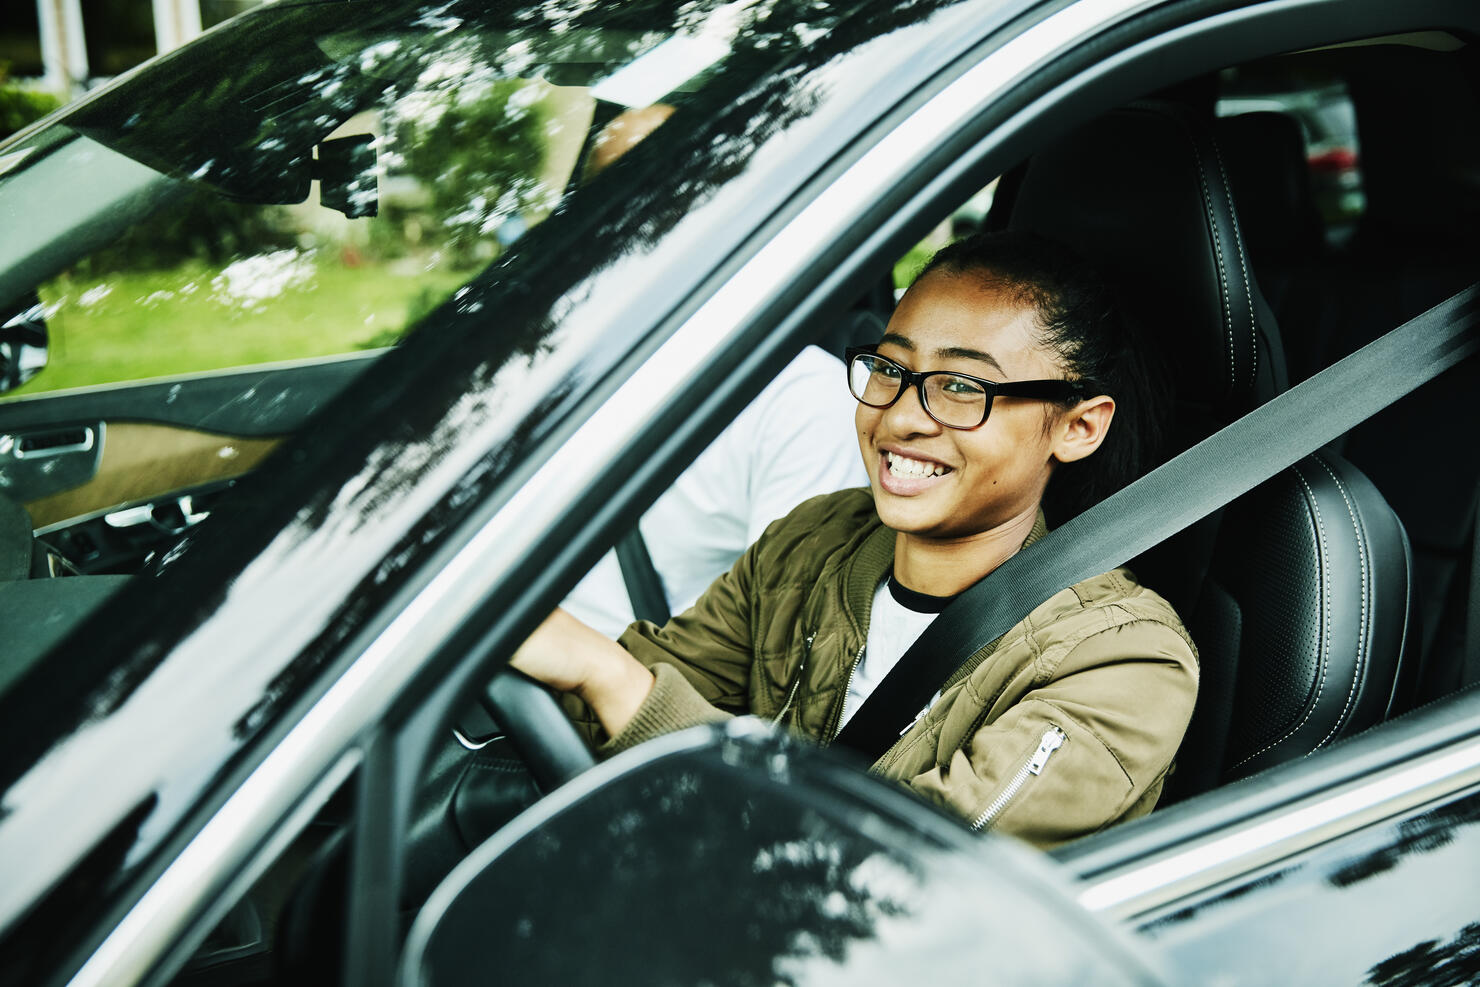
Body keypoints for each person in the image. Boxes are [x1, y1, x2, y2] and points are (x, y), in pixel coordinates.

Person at [512, 231, 1198, 847]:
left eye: (962, 386)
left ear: (1079, 426)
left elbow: (876, 870)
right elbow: (642, 694)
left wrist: (604, 672)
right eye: (890, 370)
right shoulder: (815, 541)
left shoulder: (1126, 662)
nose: (900, 416)